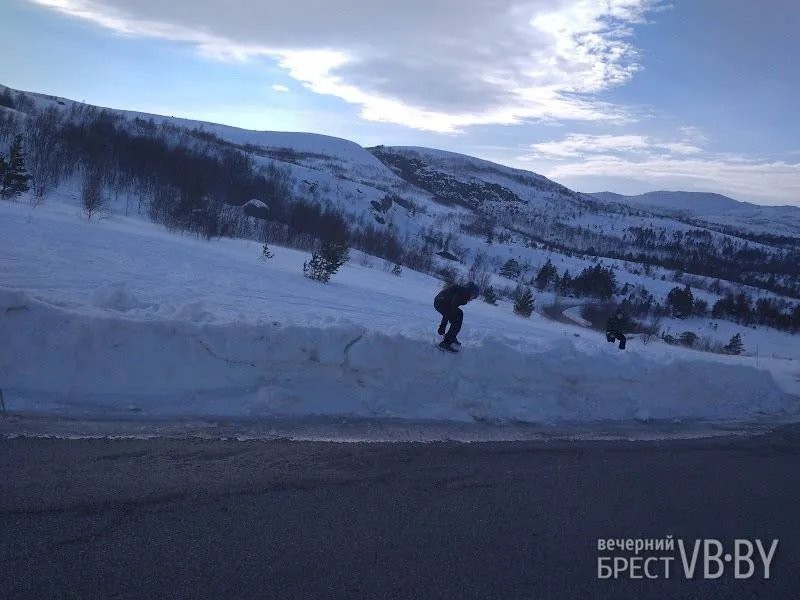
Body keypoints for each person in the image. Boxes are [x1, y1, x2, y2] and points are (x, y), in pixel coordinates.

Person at [434, 282, 479, 351]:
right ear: (472, 293)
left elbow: (448, 306)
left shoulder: (462, 290)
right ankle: (446, 342)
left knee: (458, 315)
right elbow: (452, 304)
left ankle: (451, 337)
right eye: (474, 296)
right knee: (458, 317)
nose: (473, 299)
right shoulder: (465, 292)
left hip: (439, 302)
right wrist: (451, 318)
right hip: (441, 302)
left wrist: (443, 326)